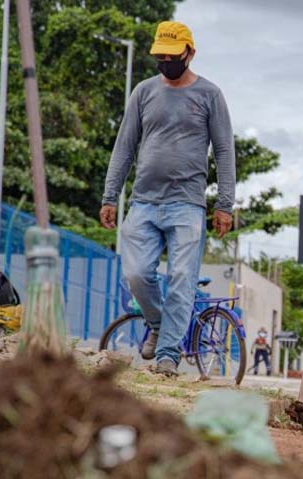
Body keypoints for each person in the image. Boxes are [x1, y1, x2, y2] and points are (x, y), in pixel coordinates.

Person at [100, 21, 235, 376]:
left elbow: (224, 151)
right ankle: (158, 324)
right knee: (136, 274)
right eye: (160, 56)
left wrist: (224, 204)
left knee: (181, 279)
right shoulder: (143, 92)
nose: (166, 62)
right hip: (143, 202)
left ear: (190, 53)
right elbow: (124, 147)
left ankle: (168, 357)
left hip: (187, 205)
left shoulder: (210, 95)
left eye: (172, 56)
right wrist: (110, 195)